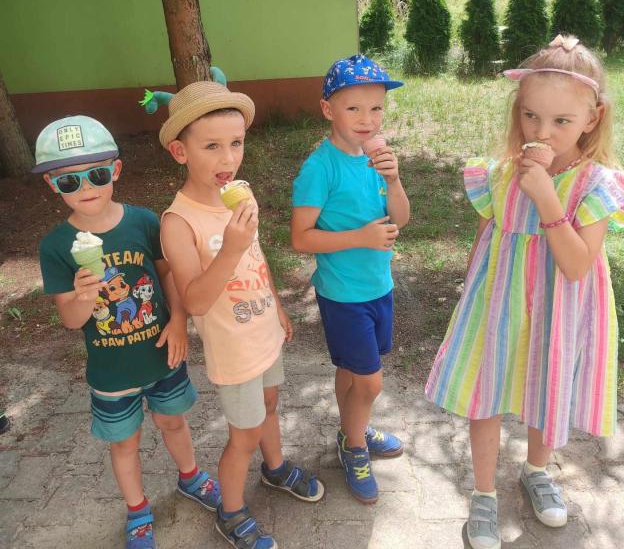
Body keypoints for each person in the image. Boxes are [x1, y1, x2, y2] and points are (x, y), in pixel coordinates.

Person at [425, 35, 624, 549]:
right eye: (531, 116)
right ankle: (483, 492)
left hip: (560, 311)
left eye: (561, 120)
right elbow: (486, 239)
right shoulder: (499, 175)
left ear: (592, 118)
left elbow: (577, 265)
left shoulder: (595, 184)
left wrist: (546, 197)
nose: (542, 132)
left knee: (548, 387)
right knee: (485, 393)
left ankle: (537, 470)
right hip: (497, 305)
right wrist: (471, 297)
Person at [37, 116, 220, 549]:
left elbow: (168, 276)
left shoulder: (143, 222)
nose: (86, 187)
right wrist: (84, 295)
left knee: (173, 422)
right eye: (69, 181)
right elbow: (71, 320)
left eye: (97, 174)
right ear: (52, 184)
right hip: (112, 372)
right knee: (124, 444)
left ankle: (191, 477)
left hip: (161, 353)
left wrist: (178, 322)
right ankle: (137, 509)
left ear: (115, 170)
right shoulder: (56, 246)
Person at [158, 79, 324, 549]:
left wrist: (278, 306)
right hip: (233, 350)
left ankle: (275, 469)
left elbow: (256, 255)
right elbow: (194, 301)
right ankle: (230, 512)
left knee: (270, 406)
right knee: (244, 435)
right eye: (211, 146)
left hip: (263, 328)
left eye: (236, 143)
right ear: (180, 152)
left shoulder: (239, 196)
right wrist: (229, 248)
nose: (228, 158)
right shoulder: (179, 221)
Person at [290, 54, 410, 504]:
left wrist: (394, 181)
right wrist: (360, 236)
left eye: (376, 108)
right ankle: (354, 447)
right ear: (328, 110)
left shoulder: (376, 160)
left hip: (379, 286)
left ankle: (351, 429)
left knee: (352, 371)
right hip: (344, 295)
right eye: (354, 108)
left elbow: (400, 219)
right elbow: (301, 238)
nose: (367, 119)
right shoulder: (319, 169)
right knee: (370, 382)